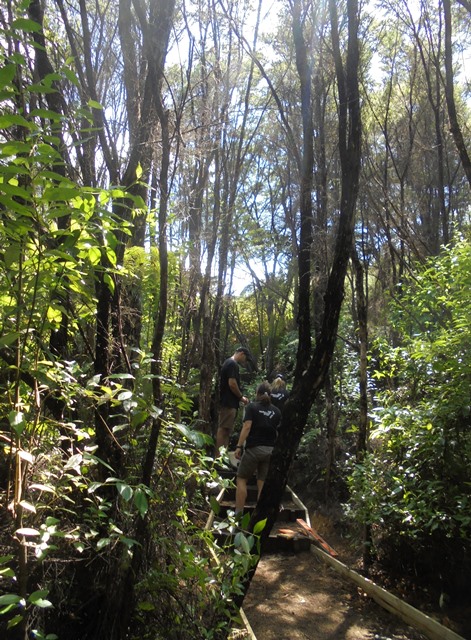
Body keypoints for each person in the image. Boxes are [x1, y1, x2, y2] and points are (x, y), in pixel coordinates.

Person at [233, 381, 281, 517]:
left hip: (253, 450)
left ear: (257, 394)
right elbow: (278, 432)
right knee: (262, 484)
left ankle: (238, 514)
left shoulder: (252, 407)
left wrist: (238, 446)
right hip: (270, 451)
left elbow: (247, 426)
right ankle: (260, 516)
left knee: (241, 479)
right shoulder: (277, 411)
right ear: (270, 395)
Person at [215, 347, 250, 458]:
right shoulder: (232, 364)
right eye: (245, 358)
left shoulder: (229, 363)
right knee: (223, 429)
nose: (245, 361)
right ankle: (218, 458)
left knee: (227, 430)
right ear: (241, 354)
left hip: (229, 402)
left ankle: (223, 457)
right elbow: (232, 383)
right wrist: (241, 397)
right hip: (228, 402)